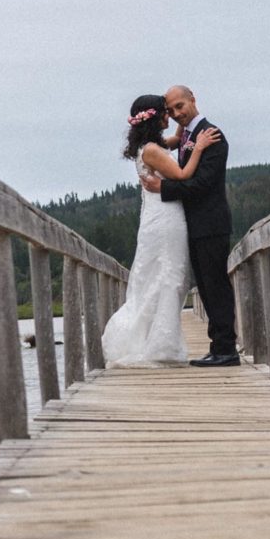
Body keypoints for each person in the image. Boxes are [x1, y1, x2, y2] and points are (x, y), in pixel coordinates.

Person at [102, 94, 220, 366]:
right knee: (168, 276)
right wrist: (200, 146)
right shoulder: (153, 151)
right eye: (166, 113)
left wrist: (185, 118)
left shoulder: (150, 146)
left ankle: (158, 342)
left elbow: (176, 140)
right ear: (155, 117)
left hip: (157, 219)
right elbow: (181, 175)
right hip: (167, 220)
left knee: (163, 277)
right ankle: (159, 346)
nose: (170, 116)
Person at [141, 83, 240, 366]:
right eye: (170, 111)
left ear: (193, 99)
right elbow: (167, 147)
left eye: (179, 107)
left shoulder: (212, 136)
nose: (175, 114)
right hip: (196, 226)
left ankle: (226, 350)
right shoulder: (187, 134)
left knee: (216, 286)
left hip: (211, 223)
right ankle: (217, 346)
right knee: (207, 288)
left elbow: (202, 185)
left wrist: (165, 188)